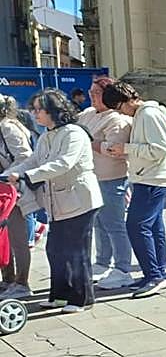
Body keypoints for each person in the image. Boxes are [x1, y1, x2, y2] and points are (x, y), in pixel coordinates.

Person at [1, 90, 102, 313]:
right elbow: (32, 161)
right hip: (58, 203)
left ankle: (82, 298)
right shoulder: (47, 135)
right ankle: (59, 295)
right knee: (55, 249)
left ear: (53, 110)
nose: (35, 114)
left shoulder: (73, 133)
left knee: (77, 251)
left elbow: (63, 163)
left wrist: (26, 176)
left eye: (39, 109)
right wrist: (12, 173)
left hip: (80, 199)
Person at [101, 82, 166, 298]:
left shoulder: (148, 114)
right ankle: (156, 273)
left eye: (118, 107)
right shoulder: (145, 114)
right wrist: (127, 152)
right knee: (153, 227)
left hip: (152, 177)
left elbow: (159, 149)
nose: (119, 113)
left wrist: (126, 148)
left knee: (136, 225)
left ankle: (155, 276)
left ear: (125, 101)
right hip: (152, 175)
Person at [76, 76, 135, 291]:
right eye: (90, 92)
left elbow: (114, 149)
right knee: (99, 224)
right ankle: (102, 261)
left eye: (97, 93)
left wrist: (88, 142)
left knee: (114, 224)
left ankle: (123, 268)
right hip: (91, 177)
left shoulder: (117, 119)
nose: (92, 96)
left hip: (112, 178)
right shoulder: (87, 114)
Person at [0, 95, 33, 298]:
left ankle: (22, 283)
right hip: (5, 189)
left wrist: (3, 177)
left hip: (15, 190)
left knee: (17, 238)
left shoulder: (8, 127)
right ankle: (9, 280)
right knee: (5, 237)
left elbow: (25, 157)